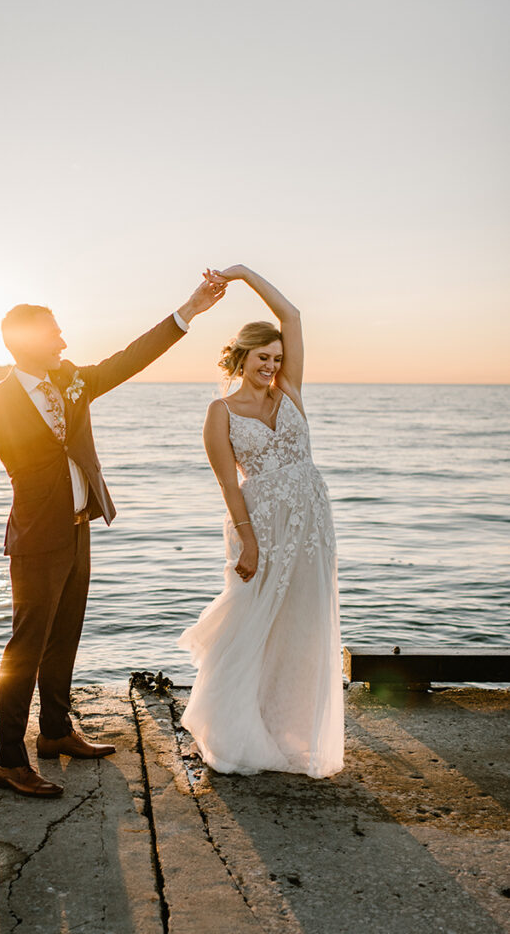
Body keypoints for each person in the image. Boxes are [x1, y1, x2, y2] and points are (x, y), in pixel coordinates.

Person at [0, 275, 225, 798]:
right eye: (54, 334)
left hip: (80, 530)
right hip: (35, 541)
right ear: (27, 341)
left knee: (65, 640)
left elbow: (130, 358)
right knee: (25, 651)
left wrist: (188, 311)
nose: (63, 341)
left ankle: (56, 731)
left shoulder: (73, 382)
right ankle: (8, 760)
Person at [178, 264, 344, 777]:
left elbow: (290, 314)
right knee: (251, 623)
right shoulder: (220, 412)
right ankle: (233, 733)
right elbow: (229, 484)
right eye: (262, 358)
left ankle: (288, 735)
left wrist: (243, 273)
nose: (272, 365)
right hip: (260, 528)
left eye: (276, 358)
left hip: (312, 526)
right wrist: (248, 542)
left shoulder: (290, 391)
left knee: (302, 628)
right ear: (241, 358)